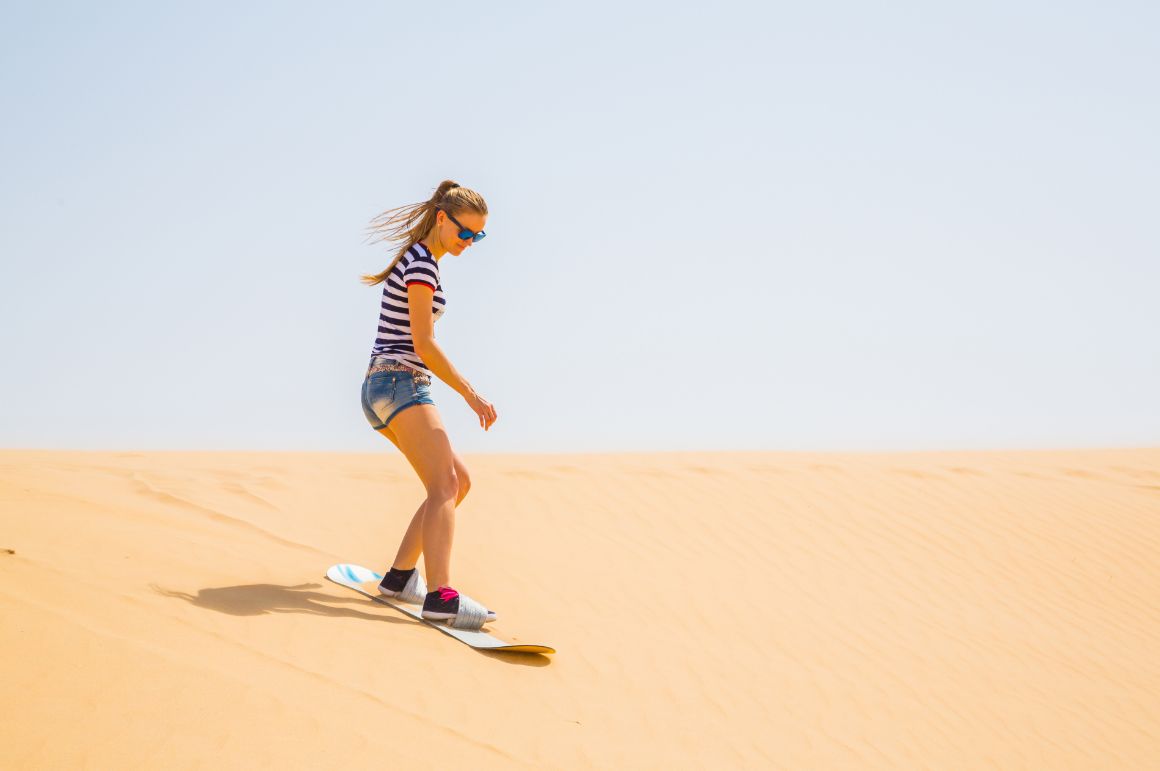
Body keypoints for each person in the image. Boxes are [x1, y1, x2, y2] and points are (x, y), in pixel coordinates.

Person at [357, 180, 499, 630]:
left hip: (383, 389)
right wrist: (470, 393)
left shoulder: (419, 260)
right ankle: (441, 597)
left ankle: (400, 578)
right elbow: (423, 342)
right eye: (465, 233)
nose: (470, 243)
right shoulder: (422, 264)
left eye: (478, 236)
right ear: (443, 219)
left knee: (457, 483)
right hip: (400, 382)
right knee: (445, 486)